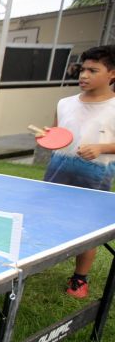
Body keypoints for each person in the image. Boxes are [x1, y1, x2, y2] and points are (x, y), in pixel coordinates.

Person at [42, 45, 115, 299]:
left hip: (95, 175)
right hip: (58, 170)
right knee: (46, 219)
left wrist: (102, 148)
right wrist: (47, 137)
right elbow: (54, 134)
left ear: (112, 74)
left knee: (87, 228)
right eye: (82, 69)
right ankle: (38, 263)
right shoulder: (64, 103)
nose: (84, 75)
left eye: (93, 70)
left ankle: (79, 278)